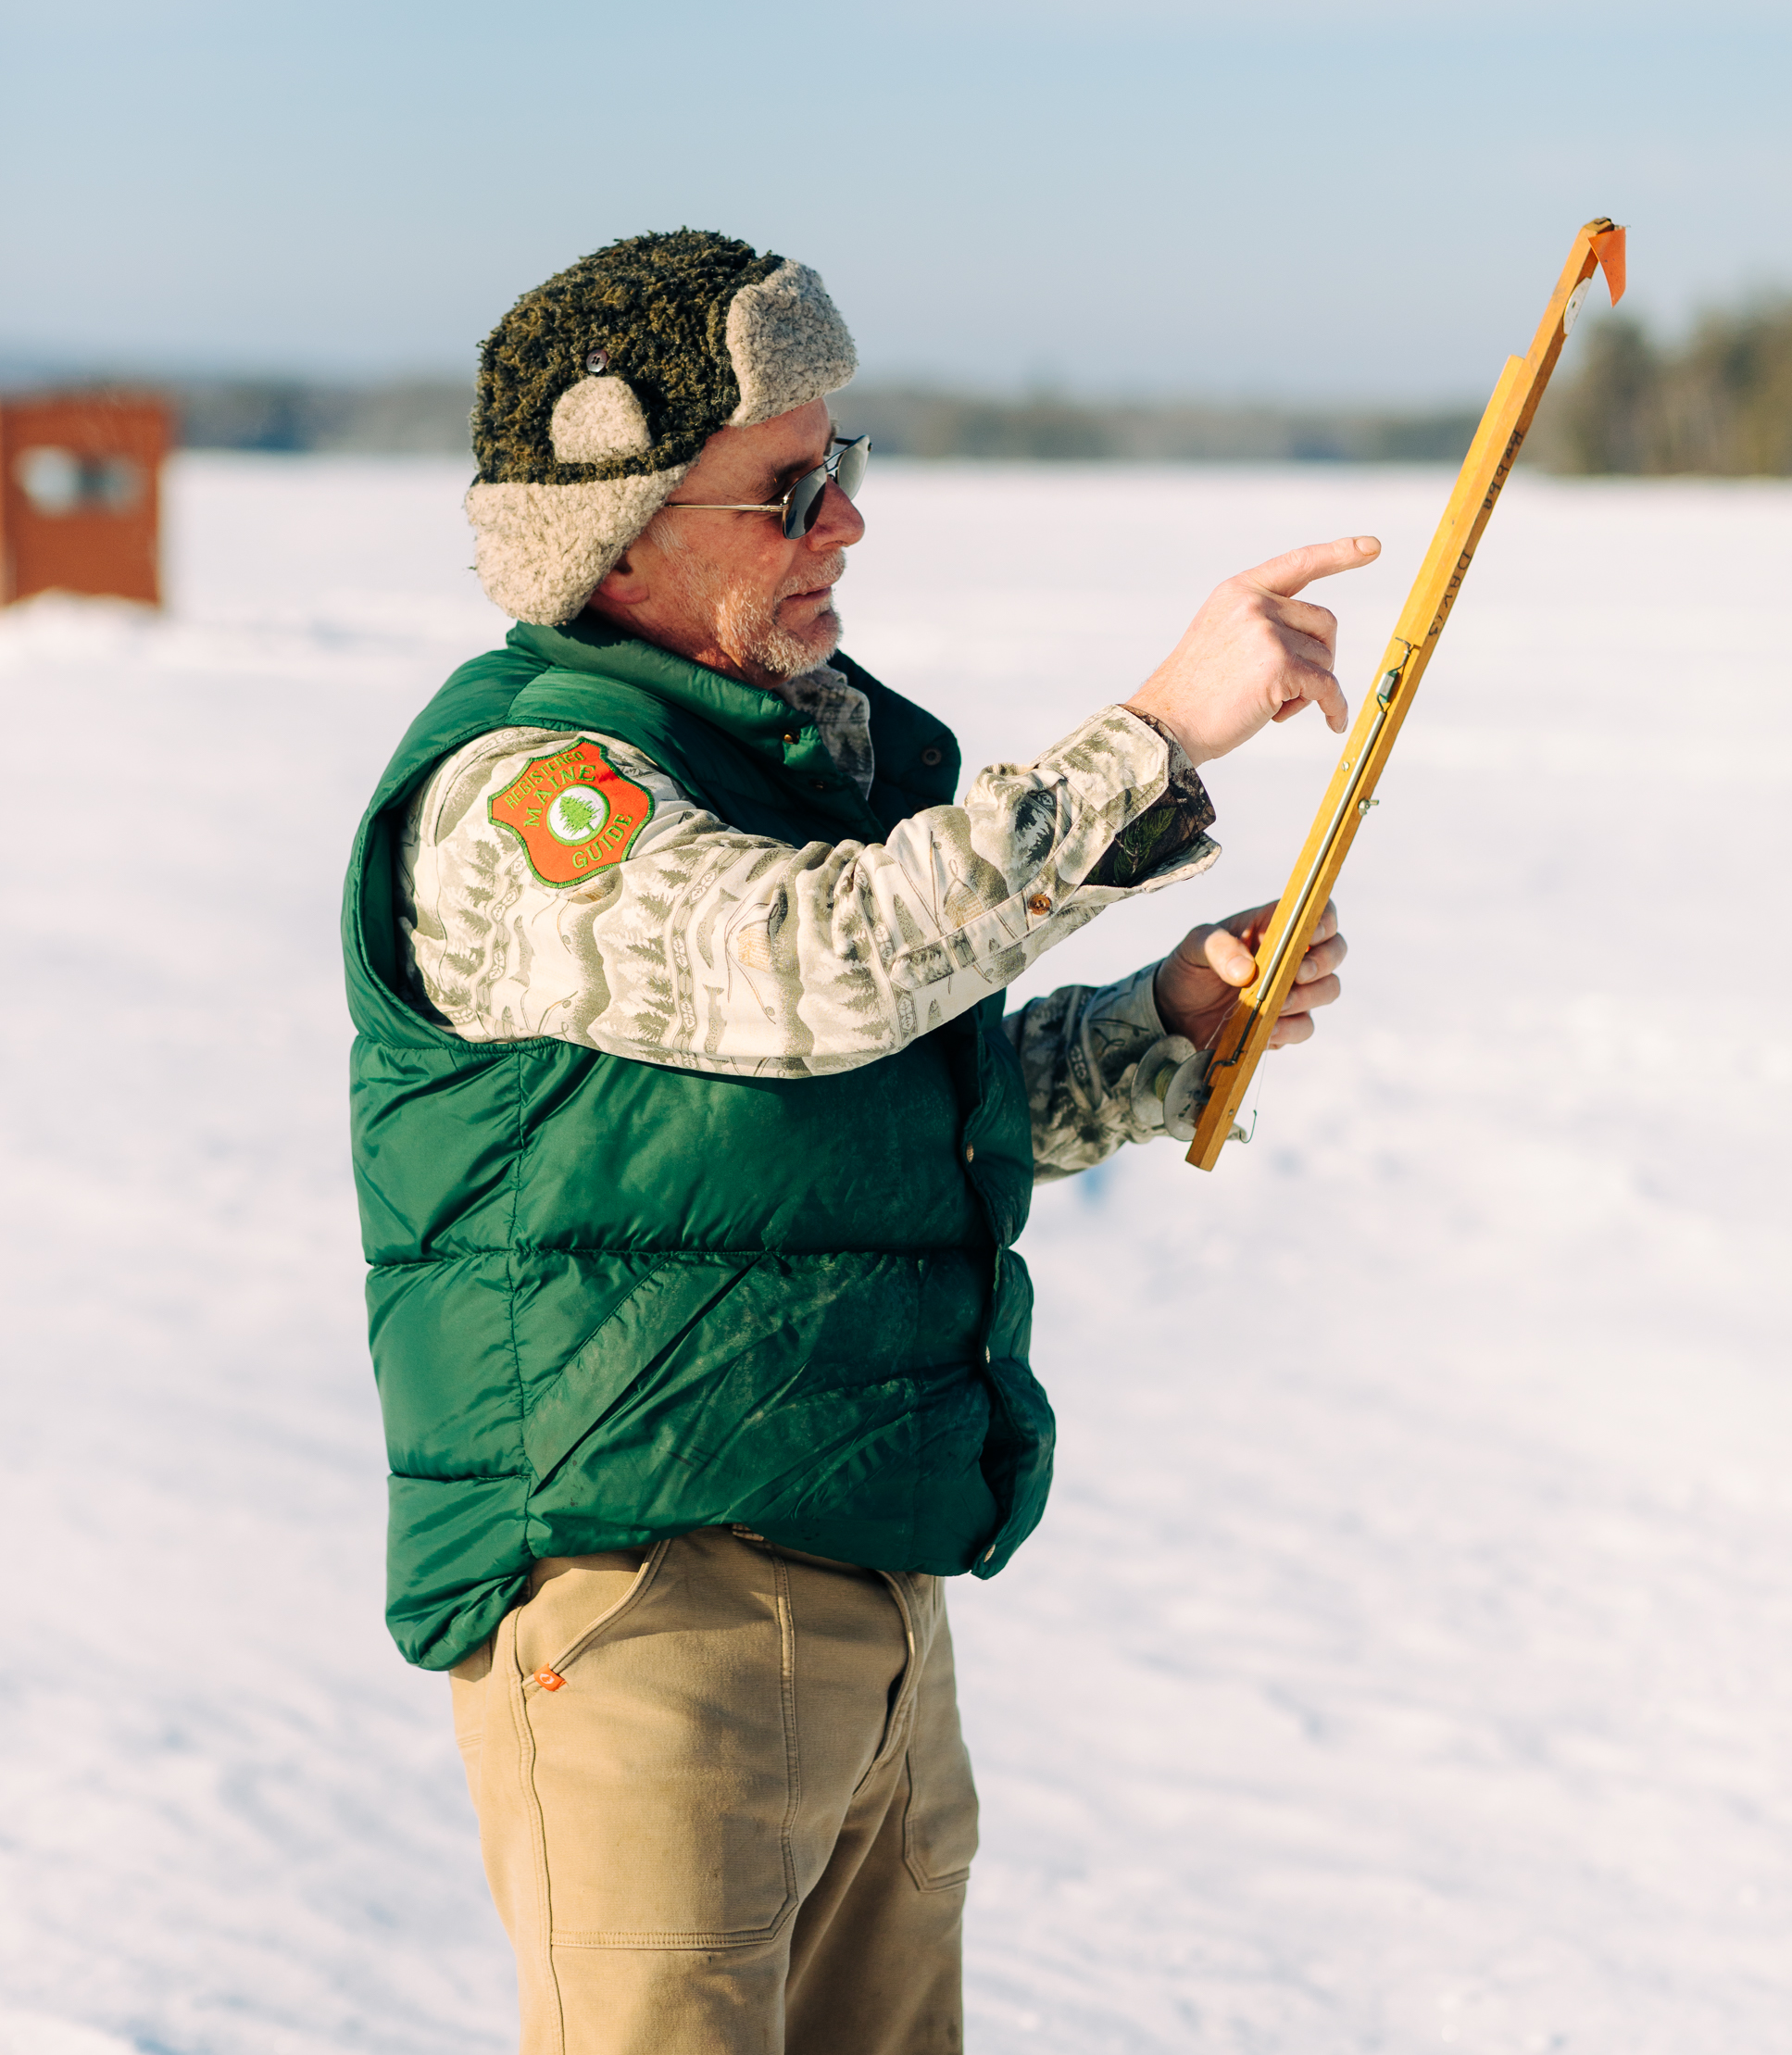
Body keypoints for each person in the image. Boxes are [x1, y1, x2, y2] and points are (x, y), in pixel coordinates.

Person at [343, 228, 1375, 2054]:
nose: (844, 522)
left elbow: (880, 1108)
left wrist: (1158, 1031)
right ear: (623, 520)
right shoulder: (523, 796)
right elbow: (805, 968)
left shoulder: (806, 770)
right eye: (787, 486)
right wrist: (1150, 736)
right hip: (642, 1614)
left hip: (877, 1608)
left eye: (849, 470)